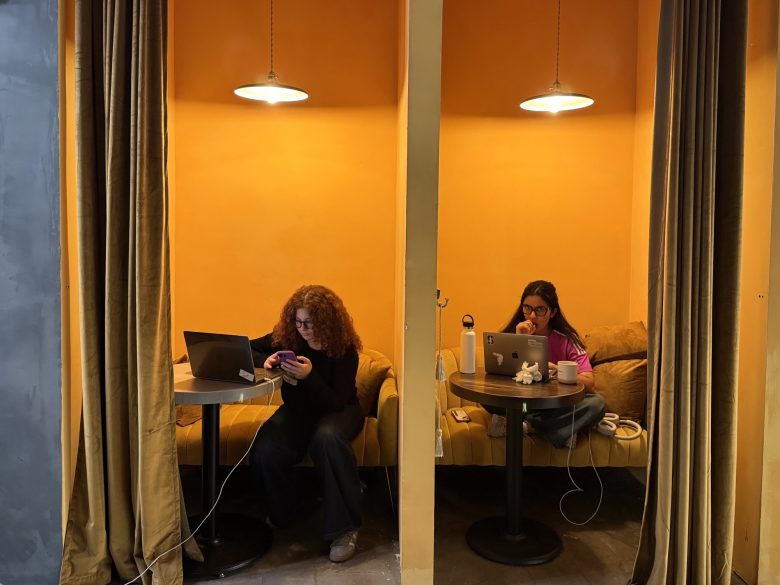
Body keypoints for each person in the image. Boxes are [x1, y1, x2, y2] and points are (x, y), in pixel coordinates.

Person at [249, 284, 364, 563]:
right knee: (266, 449)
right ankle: (288, 511)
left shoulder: (344, 350)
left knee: (326, 439)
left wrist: (308, 377)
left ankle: (344, 528)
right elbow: (247, 349)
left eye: (310, 323)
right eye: (298, 322)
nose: (303, 329)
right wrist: (267, 360)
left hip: (341, 410)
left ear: (326, 321)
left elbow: (336, 401)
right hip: (299, 411)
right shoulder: (288, 338)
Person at [487, 280, 606, 448]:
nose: (532, 316)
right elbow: (496, 377)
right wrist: (518, 339)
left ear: (552, 312)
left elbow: (588, 381)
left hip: (553, 406)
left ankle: (525, 426)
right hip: (522, 403)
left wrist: (557, 370)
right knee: (488, 399)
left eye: (540, 309)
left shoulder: (568, 340)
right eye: (527, 308)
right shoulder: (513, 333)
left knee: (597, 404)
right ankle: (562, 429)